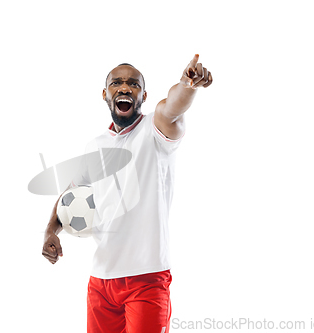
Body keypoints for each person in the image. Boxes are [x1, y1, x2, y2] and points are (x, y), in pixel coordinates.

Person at [42, 54, 212, 333]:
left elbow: (173, 108)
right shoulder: (95, 146)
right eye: (116, 83)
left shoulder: (156, 130)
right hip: (101, 280)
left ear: (143, 95)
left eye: (133, 84)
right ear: (105, 94)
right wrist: (51, 231)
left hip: (146, 279)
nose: (124, 88)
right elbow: (69, 194)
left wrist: (187, 85)